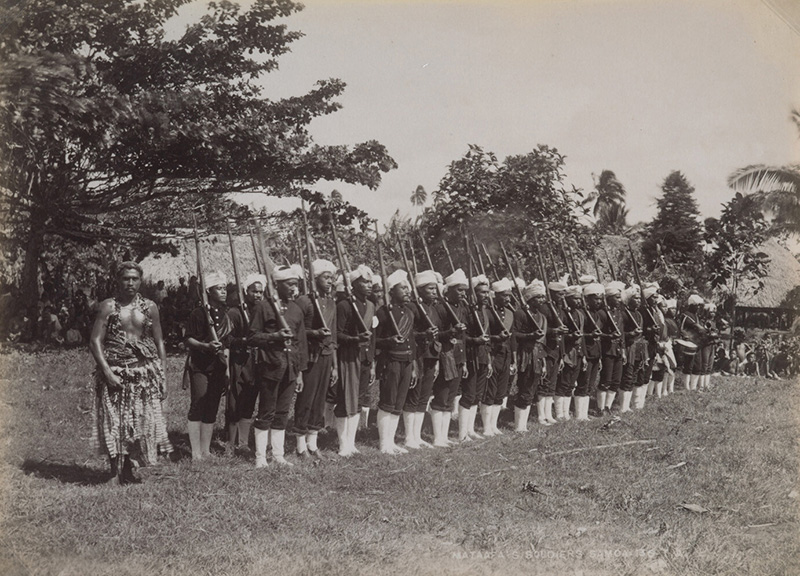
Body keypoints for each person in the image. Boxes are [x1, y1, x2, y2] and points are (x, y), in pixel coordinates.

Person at [89, 261, 172, 484]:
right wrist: (107, 372)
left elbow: (159, 341)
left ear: (141, 280)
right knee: (114, 422)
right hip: (116, 370)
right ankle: (114, 472)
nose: (130, 283)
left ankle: (128, 469)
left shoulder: (149, 307)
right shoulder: (108, 306)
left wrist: (162, 375)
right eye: (126, 278)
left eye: (135, 278)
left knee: (137, 424)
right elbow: (95, 340)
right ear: (118, 280)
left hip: (143, 373)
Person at [248, 265, 308, 467]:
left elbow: (300, 344)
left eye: (296, 284)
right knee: (267, 410)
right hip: (270, 366)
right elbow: (252, 336)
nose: (294, 288)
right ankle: (260, 457)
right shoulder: (263, 307)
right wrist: (274, 336)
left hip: (290, 368)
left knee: (283, 411)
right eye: (290, 284)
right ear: (277, 285)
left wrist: (299, 373)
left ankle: (278, 455)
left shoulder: (296, 309)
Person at [292, 260, 338, 459]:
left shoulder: (331, 303)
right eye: (326, 277)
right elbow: (296, 331)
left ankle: (313, 443)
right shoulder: (304, 301)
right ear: (315, 279)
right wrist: (314, 332)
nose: (330, 281)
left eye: (332, 278)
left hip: (326, 357)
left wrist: (335, 365)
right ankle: (300, 445)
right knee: (306, 399)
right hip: (309, 356)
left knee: (319, 401)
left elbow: (333, 336)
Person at [184, 272, 232, 461]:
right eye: (218, 288)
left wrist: (226, 369)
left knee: (212, 405)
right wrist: (205, 346)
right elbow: (188, 339)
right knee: (199, 403)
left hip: (218, 366)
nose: (223, 292)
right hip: (201, 365)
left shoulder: (226, 315)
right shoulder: (199, 313)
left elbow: (227, 344)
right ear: (209, 291)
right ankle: (195, 452)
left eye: (224, 288)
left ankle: (206, 450)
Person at [374, 269, 418, 454]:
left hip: (407, 361)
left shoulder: (409, 312)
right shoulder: (383, 312)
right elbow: (373, 340)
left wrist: (413, 364)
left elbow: (412, 340)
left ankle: (391, 442)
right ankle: (384, 443)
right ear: (391, 291)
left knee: (399, 403)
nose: (407, 292)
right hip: (391, 361)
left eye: (408, 288)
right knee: (388, 402)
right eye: (403, 288)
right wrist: (388, 341)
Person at [333, 265, 375, 456]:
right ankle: (342, 444)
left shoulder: (371, 305)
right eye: (364, 282)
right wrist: (354, 340)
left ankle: (351, 442)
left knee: (358, 401)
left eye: (370, 282)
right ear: (354, 284)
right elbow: (338, 334)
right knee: (344, 400)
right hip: (349, 358)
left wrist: (371, 360)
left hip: (365, 358)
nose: (369, 285)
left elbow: (371, 337)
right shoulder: (344, 305)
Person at [225, 273, 265, 454]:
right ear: (245, 291)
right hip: (239, 361)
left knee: (249, 400)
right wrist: (244, 341)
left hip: (257, 362)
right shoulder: (235, 312)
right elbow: (227, 339)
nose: (257, 295)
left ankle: (243, 442)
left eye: (260, 292)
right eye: (253, 291)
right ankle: (230, 443)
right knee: (235, 401)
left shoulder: (263, 311)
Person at [403, 269, 442, 449]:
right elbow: (407, 333)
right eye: (429, 289)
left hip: (431, 355)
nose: (434, 292)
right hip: (416, 355)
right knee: (414, 394)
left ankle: (417, 436)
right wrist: (422, 335)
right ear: (419, 290)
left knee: (424, 396)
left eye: (435, 289)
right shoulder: (412, 307)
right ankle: (408, 437)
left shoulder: (432, 308)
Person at [430, 269, 469, 446]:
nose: (463, 293)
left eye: (464, 290)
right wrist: (450, 332)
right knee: (442, 395)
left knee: (451, 396)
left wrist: (465, 361)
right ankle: (438, 437)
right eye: (459, 290)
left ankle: (444, 436)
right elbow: (436, 335)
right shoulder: (440, 308)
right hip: (445, 355)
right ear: (449, 290)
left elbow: (464, 338)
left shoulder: (462, 308)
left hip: (459, 356)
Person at [511, 280, 547, 432]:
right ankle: (519, 426)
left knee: (532, 388)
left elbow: (541, 342)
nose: (541, 300)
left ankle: (523, 425)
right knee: (525, 387)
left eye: (542, 297)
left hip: (537, 355)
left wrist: (543, 360)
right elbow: (515, 335)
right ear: (531, 298)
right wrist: (530, 336)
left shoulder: (541, 316)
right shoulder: (520, 314)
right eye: (538, 297)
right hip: (525, 355)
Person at [460, 274, 492, 440]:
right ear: (473, 294)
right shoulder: (467, 311)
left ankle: (470, 430)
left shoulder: (484, 311)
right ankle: (462, 433)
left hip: (483, 357)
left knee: (477, 395)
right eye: (482, 293)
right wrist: (474, 340)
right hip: (471, 356)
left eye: (487, 292)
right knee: (469, 394)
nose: (486, 296)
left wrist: (489, 360)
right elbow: (462, 337)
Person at [483, 278, 516, 434]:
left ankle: (493, 425)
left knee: (500, 392)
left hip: (506, 354)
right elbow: (486, 336)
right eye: (504, 295)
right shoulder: (488, 312)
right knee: (490, 390)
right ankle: (486, 426)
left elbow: (513, 338)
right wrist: (496, 338)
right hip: (493, 354)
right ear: (495, 295)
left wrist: (514, 359)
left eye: (509, 295)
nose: (508, 299)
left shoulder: (510, 312)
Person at [538, 280, 568, 425]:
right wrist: (554, 331)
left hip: (556, 349)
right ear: (553, 293)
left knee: (551, 383)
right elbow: (541, 329)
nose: (563, 296)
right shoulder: (544, 308)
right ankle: (540, 414)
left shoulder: (559, 308)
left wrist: (561, 354)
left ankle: (548, 414)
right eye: (560, 293)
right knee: (543, 382)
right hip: (546, 348)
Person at [574, 283, 604, 419]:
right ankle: (579, 414)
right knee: (583, 383)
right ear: (587, 299)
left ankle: (584, 414)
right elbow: (580, 335)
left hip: (596, 352)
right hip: (586, 352)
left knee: (590, 384)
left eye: (600, 298)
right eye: (595, 298)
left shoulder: (596, 314)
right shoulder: (582, 314)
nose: (598, 301)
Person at [556, 284, 585, 421]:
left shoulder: (579, 314)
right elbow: (560, 336)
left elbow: (582, 336)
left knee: (571, 384)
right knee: (563, 382)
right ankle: (559, 413)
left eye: (580, 299)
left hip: (578, 352)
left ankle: (566, 412)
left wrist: (583, 355)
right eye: (575, 299)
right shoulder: (562, 314)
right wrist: (570, 337)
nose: (578, 302)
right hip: (567, 352)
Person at [596, 281, 626, 413]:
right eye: (617, 297)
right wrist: (609, 336)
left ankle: (608, 406)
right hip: (607, 350)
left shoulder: (618, 313)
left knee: (616, 380)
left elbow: (622, 333)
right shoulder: (602, 313)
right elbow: (597, 333)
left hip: (618, 350)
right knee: (606, 380)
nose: (619, 300)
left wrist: (623, 349)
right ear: (608, 298)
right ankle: (600, 407)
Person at [620, 285, 648, 412]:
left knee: (637, 375)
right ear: (628, 300)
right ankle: (623, 406)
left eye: (639, 299)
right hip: (629, 348)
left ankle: (635, 404)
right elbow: (621, 333)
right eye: (635, 298)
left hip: (640, 348)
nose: (638, 301)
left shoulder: (639, 315)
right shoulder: (624, 314)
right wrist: (630, 334)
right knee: (628, 376)